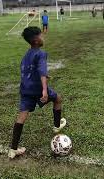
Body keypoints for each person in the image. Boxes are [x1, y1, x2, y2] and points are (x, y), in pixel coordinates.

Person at [8, 27, 67, 159]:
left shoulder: (26, 55)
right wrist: (44, 90)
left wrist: (43, 77)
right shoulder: (40, 53)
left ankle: (13, 149)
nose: (43, 38)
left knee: (22, 116)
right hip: (38, 89)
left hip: (25, 90)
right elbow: (41, 71)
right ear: (36, 40)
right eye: (42, 36)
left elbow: (27, 71)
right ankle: (57, 127)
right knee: (57, 98)